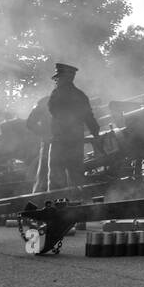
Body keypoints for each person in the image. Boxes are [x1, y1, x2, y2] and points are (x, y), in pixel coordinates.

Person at [46, 62, 100, 194]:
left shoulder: (56, 94)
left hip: (59, 141)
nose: (57, 81)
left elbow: (52, 110)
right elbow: (89, 117)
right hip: (75, 141)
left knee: (56, 177)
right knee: (76, 176)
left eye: (59, 78)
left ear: (64, 78)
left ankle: (54, 206)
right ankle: (79, 204)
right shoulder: (80, 95)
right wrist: (96, 133)